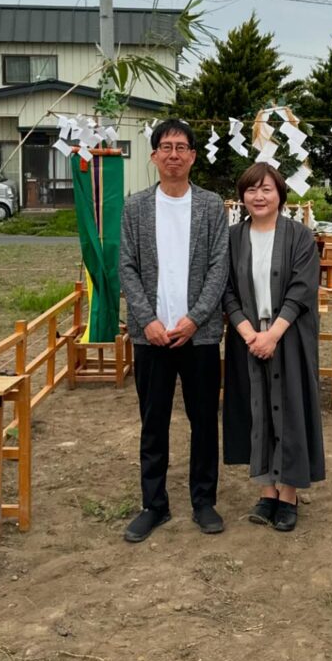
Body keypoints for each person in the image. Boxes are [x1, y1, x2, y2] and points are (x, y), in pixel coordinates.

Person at [119, 119, 229, 543]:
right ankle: (155, 505)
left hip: (198, 336)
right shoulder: (136, 207)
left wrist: (195, 318)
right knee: (153, 421)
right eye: (165, 147)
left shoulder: (210, 206)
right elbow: (126, 266)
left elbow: (220, 266)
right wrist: (146, 320)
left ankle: (204, 501)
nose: (174, 154)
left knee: (203, 420)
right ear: (154, 156)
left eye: (182, 147)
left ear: (193, 156)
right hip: (152, 336)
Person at [222, 163, 325, 532]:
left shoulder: (299, 236)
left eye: (266, 189)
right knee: (257, 410)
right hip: (247, 336)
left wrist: (273, 334)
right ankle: (266, 491)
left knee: (291, 411)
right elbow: (227, 289)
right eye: (251, 190)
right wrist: (250, 333)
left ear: (280, 194)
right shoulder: (233, 237)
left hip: (289, 335)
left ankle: (289, 495)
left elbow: (302, 289)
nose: (259, 196)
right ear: (242, 196)